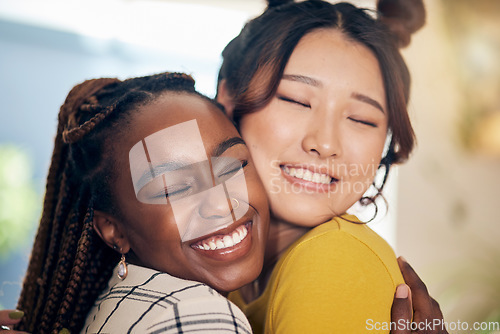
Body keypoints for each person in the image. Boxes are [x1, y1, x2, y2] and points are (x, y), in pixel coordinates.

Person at [216, 0, 447, 333]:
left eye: (360, 119)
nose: (324, 144)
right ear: (229, 98)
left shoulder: (334, 259)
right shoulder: (221, 268)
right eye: (296, 100)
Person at [12, 72, 269, 333]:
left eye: (232, 167)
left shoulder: (114, 306)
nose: (222, 204)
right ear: (114, 230)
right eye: (174, 189)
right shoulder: (200, 316)